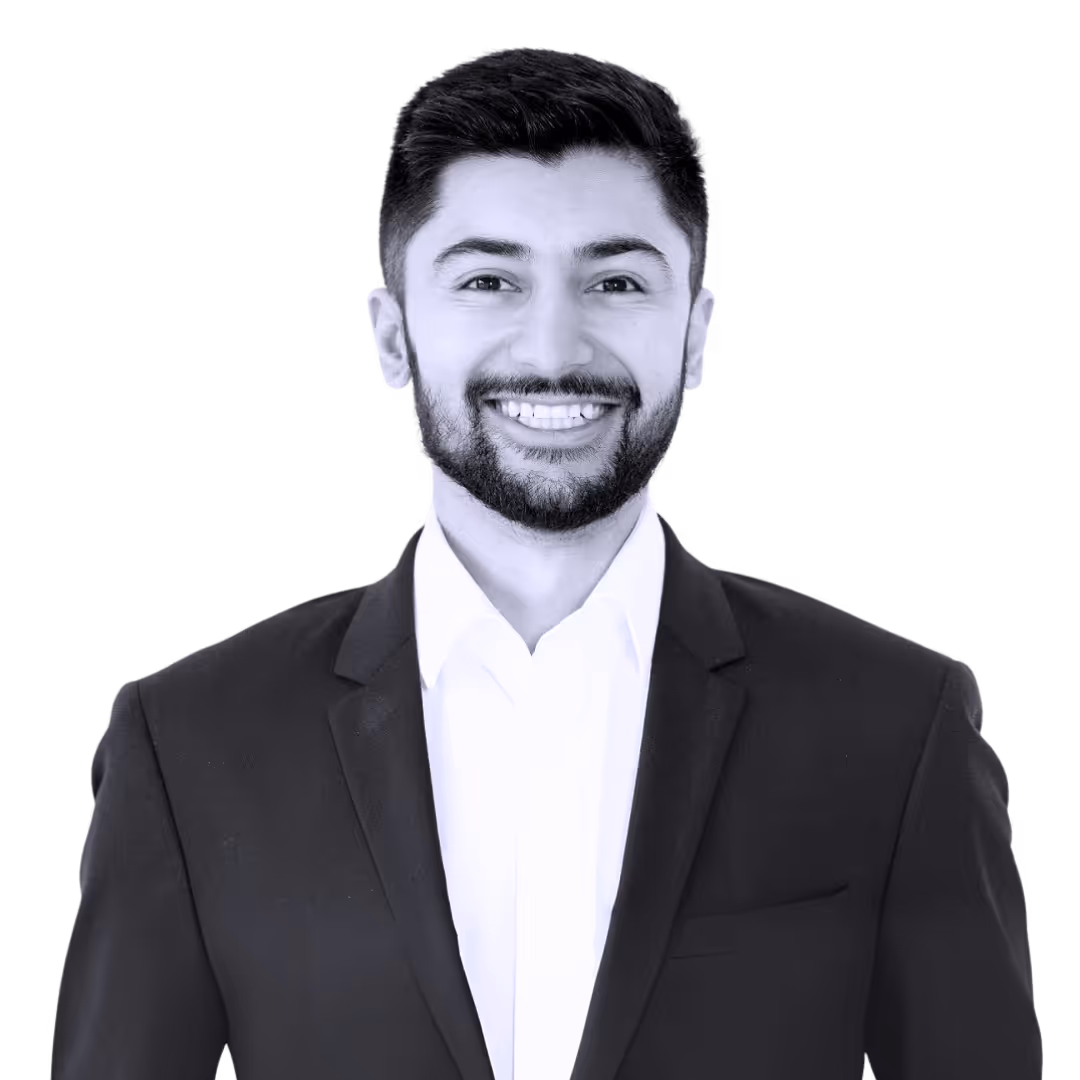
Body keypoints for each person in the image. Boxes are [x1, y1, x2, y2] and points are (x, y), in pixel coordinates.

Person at [53, 46, 1040, 1080]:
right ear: (392, 337)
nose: (554, 348)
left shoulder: (899, 723)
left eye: (616, 281)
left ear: (696, 336)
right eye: (489, 280)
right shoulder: (187, 739)